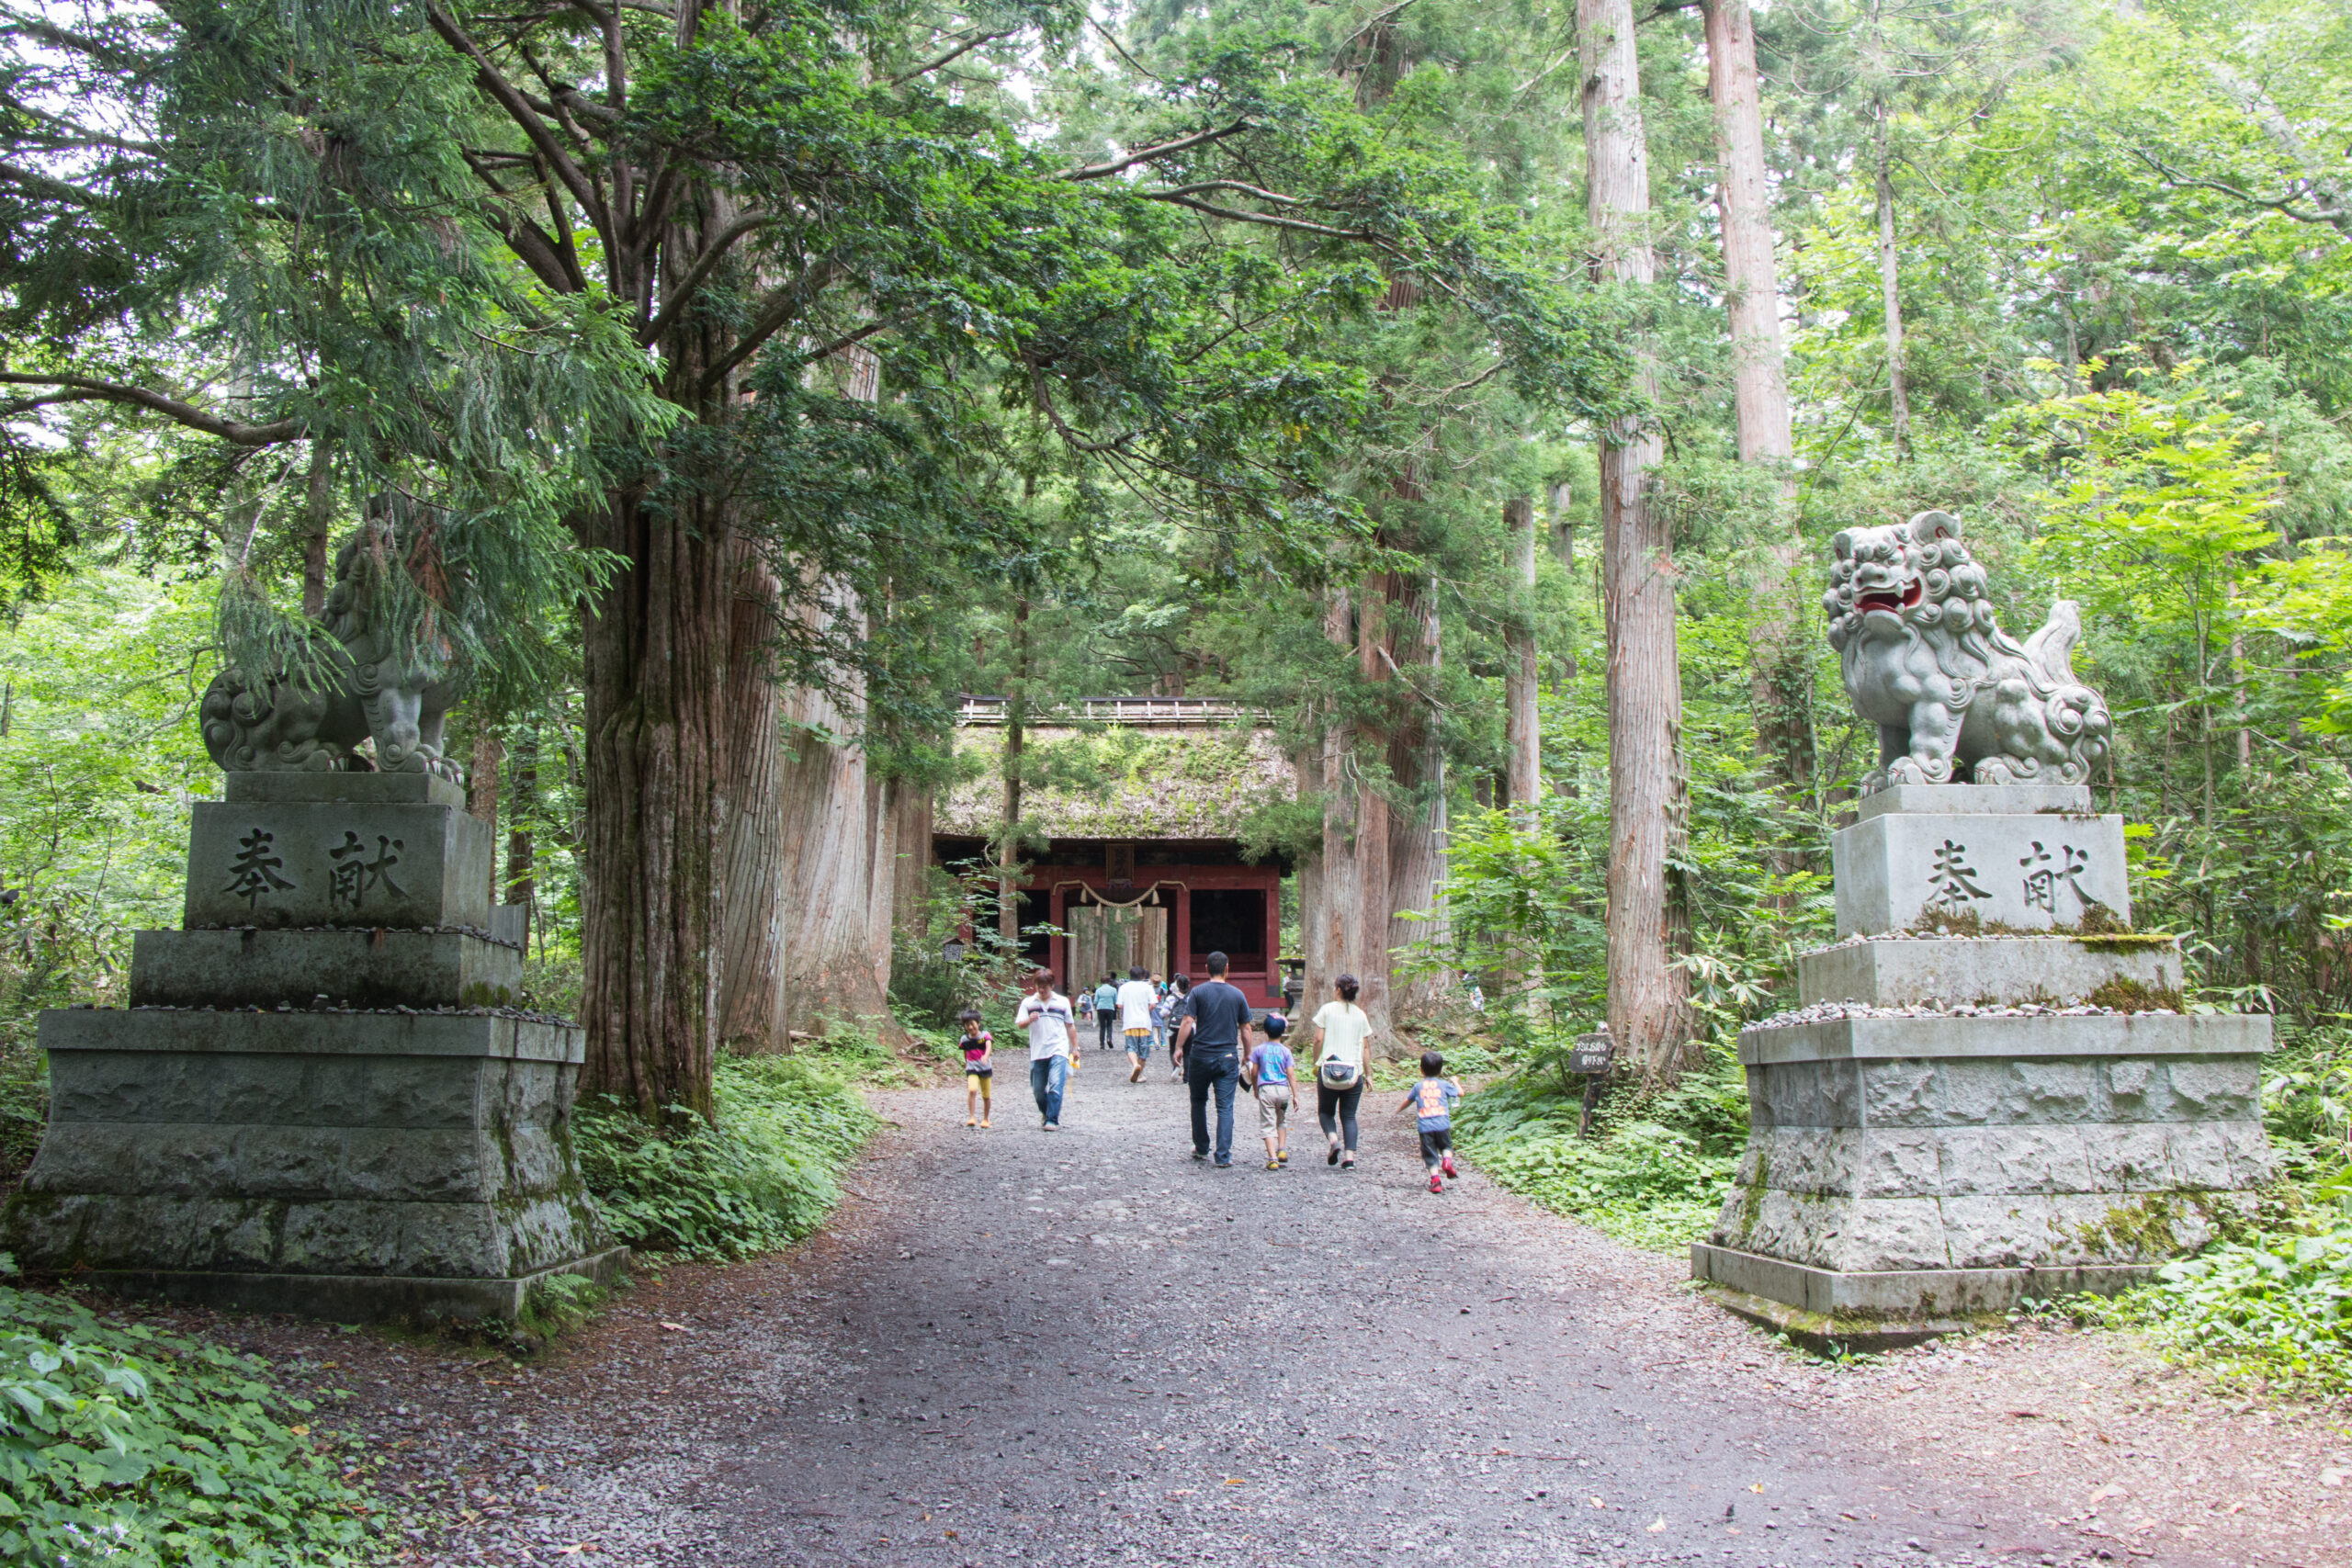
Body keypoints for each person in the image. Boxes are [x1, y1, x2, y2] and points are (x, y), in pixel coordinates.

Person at [1172, 953, 1253, 1168]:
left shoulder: (1198, 992)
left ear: (1207, 968)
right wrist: (1247, 1053)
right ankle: (1223, 1155)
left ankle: (1201, 1147)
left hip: (1200, 1055)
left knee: (1198, 1101)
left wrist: (1179, 1047)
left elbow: (1188, 1021)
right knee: (1225, 1106)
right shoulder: (1237, 995)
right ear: (1227, 968)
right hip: (1227, 1057)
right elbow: (1246, 1028)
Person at [1311, 974, 1373, 1170]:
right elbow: (1365, 1047)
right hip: (1354, 1071)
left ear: (1338, 989)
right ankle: (1349, 1158)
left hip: (1329, 1069)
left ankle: (1333, 1140)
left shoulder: (1327, 1010)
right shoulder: (1360, 1014)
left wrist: (1316, 1062)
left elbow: (1318, 1039)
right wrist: (1369, 1073)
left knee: (1325, 1111)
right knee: (1348, 1115)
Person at [1013, 968, 1077, 1131]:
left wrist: (1075, 1048)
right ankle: (1047, 1112)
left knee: (1056, 1084)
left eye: (1045, 987)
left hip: (1059, 1049)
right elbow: (1020, 1024)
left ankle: (1052, 1120)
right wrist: (1029, 1019)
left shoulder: (1062, 1002)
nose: (1041, 990)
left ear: (1052, 985)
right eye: (1038, 986)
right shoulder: (1028, 1003)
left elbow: (1070, 1026)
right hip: (1038, 1051)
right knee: (1038, 1090)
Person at [1399, 1050, 1464, 1193]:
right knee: (1446, 1146)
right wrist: (1455, 1082)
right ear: (1440, 1070)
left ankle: (1435, 1181)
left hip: (1425, 1126)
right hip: (1442, 1123)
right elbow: (1460, 1093)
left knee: (1430, 1153)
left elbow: (1408, 1101)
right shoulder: (1444, 1085)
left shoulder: (1418, 1086)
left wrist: (1398, 1110)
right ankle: (1447, 1161)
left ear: (1421, 1069)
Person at [1245, 1013, 1295, 1170]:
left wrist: (1255, 1088)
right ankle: (1281, 1150)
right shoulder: (1286, 1051)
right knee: (1281, 1119)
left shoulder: (1259, 1051)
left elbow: (1254, 1072)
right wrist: (1296, 1095)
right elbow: (1291, 1074)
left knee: (1268, 1122)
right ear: (1282, 1032)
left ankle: (1272, 1158)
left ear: (1265, 1031)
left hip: (1266, 1089)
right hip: (1283, 1089)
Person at [1116, 964, 1158, 1083]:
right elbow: (1153, 1004)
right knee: (1143, 1050)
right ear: (1142, 975)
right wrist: (1146, 1010)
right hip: (1144, 1022)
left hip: (1130, 1022)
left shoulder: (1124, 988)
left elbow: (1119, 1005)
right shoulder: (1148, 987)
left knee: (1131, 1047)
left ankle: (1135, 1065)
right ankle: (1140, 1075)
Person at [957, 1009, 993, 1129]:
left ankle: (986, 1119)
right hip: (971, 1068)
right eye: (967, 1025)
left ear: (978, 1023)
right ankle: (972, 1117)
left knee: (986, 1095)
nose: (970, 1027)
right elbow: (965, 1053)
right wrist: (965, 1064)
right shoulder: (964, 1039)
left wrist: (986, 1056)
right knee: (972, 1090)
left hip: (985, 1069)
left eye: (972, 1024)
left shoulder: (984, 1036)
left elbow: (988, 1046)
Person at [1164, 973, 1192, 1082]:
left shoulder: (1171, 998)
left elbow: (1163, 1012)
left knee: (1173, 1049)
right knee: (1188, 1052)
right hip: (1189, 1027)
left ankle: (1176, 1067)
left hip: (1174, 1027)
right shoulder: (1192, 997)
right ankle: (1187, 1077)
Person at [1094, 974, 1120, 1051]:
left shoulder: (1098, 990)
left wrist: (1096, 1007)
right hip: (1110, 1008)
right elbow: (1116, 1000)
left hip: (1101, 1008)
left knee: (1102, 1027)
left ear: (1101, 982)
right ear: (1109, 982)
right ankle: (1109, 1039)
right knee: (1109, 1025)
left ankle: (1102, 1044)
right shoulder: (1113, 990)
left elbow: (1095, 1001)